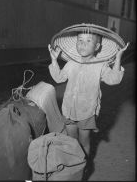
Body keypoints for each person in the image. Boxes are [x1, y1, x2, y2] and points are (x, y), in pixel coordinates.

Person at [48, 24, 129, 160]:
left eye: (88, 41)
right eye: (80, 40)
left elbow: (114, 79)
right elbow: (58, 77)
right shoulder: (71, 63)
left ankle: (84, 163)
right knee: (71, 140)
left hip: (86, 112)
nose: (83, 44)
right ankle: (74, 165)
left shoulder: (101, 65)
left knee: (84, 141)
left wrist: (118, 58)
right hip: (68, 109)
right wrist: (54, 60)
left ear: (97, 47)